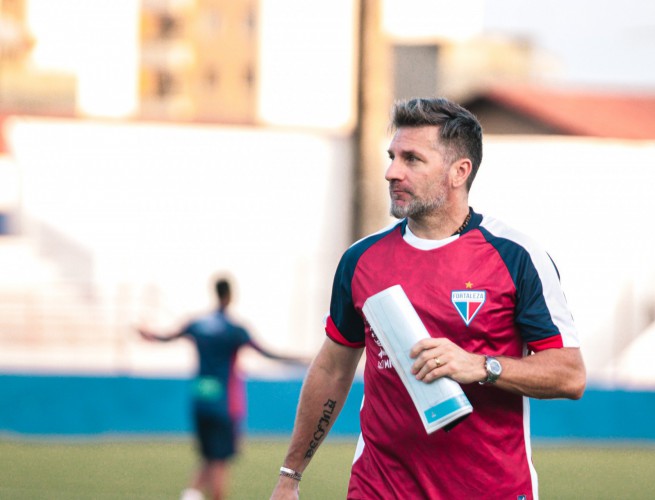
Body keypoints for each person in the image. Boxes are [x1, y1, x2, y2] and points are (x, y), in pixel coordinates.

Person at [270, 97, 586, 500]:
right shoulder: (361, 260)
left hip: (490, 489)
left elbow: (570, 374)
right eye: (392, 156)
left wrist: (481, 366)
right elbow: (332, 369)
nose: (391, 172)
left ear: (459, 172)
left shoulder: (516, 256)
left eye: (412, 159)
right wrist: (290, 475)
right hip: (380, 488)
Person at [138, 276, 303, 500]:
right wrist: (299, 359)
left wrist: (148, 333)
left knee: (208, 456)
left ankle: (190, 495)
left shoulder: (197, 324)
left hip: (200, 399)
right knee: (219, 463)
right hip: (223, 403)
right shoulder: (234, 329)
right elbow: (266, 353)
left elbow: (164, 337)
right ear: (230, 295)